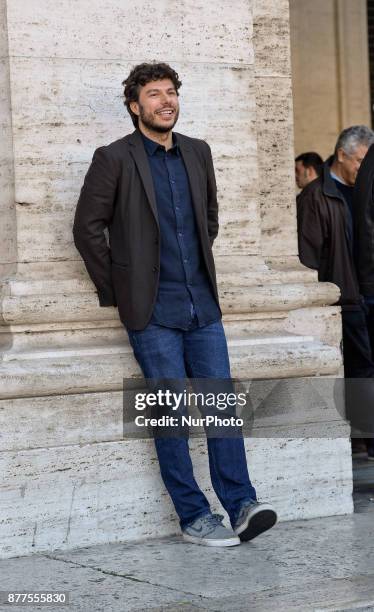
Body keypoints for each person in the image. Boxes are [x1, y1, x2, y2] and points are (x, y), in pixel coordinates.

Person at [73, 62, 277, 546]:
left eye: (171, 93)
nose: (166, 101)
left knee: (221, 409)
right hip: (152, 312)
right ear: (134, 105)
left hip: (202, 305)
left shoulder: (198, 153)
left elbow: (209, 216)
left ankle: (242, 503)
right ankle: (193, 516)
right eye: (154, 94)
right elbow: (86, 229)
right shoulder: (114, 158)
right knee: (172, 417)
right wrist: (120, 292)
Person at [297, 126, 374, 458]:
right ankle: (365, 440)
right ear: (341, 155)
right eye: (360, 162)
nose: (363, 170)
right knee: (360, 371)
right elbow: (308, 256)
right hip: (343, 298)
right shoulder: (316, 196)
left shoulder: (363, 189)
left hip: (364, 293)